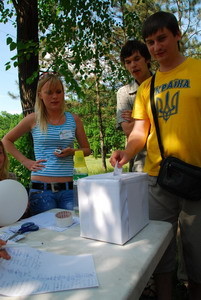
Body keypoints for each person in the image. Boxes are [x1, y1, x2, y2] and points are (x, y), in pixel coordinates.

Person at [110, 11, 201, 300]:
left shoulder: (198, 71)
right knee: (159, 252)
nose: (156, 47)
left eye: (161, 38)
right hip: (158, 179)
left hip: (197, 178)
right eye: (150, 42)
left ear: (177, 35)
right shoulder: (146, 88)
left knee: (196, 253)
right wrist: (127, 152)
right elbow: (139, 132)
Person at [2, 73, 91, 216]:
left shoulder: (74, 119)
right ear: (40, 95)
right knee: (45, 234)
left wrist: (72, 151)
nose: (54, 96)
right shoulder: (33, 119)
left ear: (63, 93)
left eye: (58, 92)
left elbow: (87, 150)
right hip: (41, 191)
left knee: (73, 231)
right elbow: (6, 140)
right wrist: (26, 161)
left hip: (69, 190)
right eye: (49, 92)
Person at [116, 40, 152, 172]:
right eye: (128, 62)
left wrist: (137, 118)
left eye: (137, 59)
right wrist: (154, 117)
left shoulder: (163, 84)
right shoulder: (124, 93)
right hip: (141, 163)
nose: (133, 65)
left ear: (147, 59)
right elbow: (128, 130)